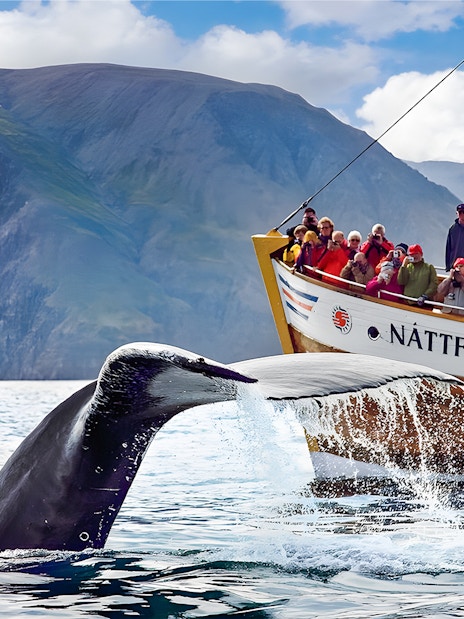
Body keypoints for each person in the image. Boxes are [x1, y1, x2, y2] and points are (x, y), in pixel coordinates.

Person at [445, 204, 464, 271]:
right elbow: (448, 248)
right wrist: (448, 266)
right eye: (460, 212)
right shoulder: (452, 229)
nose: (462, 214)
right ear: (457, 213)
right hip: (455, 265)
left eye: (463, 212)